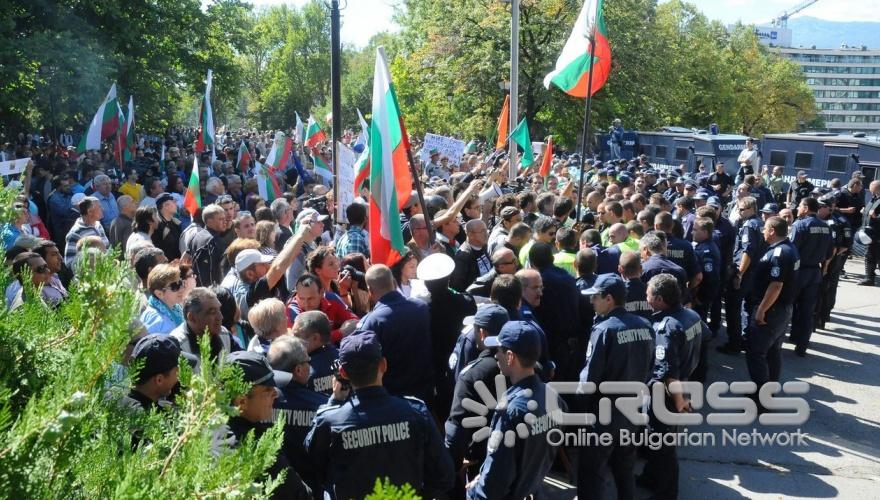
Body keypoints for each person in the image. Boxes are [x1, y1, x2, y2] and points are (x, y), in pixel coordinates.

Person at [305, 332, 454, 499]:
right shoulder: (416, 412)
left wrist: (334, 402)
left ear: (343, 373)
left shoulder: (329, 420)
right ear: (383, 365)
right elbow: (444, 475)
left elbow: (314, 467)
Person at [466, 321, 563, 499]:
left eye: (499, 350)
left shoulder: (510, 411)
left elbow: (494, 485)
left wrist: (473, 492)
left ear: (510, 357)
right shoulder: (553, 397)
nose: (496, 356)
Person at [578, 274, 654, 500]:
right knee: (624, 468)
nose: (591, 301)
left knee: (592, 472)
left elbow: (589, 381)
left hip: (604, 415)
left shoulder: (604, 330)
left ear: (609, 299)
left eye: (595, 297)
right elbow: (650, 368)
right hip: (633, 411)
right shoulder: (645, 326)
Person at [638, 274, 703, 500]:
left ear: (659, 299)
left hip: (666, 395)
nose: (645, 297)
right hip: (685, 383)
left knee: (661, 444)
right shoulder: (692, 316)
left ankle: (666, 493)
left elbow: (667, 372)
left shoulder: (666, 328)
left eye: (648, 294)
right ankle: (650, 476)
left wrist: (678, 401)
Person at [219, 351, 312, 500]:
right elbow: (300, 494)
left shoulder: (202, 429)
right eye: (268, 390)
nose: (276, 394)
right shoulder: (259, 451)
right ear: (242, 401)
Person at [359, 264, 434, 404]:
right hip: (425, 394)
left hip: (393, 400)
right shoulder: (421, 308)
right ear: (394, 282)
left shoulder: (371, 322)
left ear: (370, 291)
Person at [267, 335, 328, 494]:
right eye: (308, 361)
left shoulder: (259, 403)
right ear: (298, 370)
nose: (310, 365)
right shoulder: (321, 406)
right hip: (313, 488)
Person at [747, 217, 800, 391]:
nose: (763, 231)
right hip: (782, 309)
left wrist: (762, 309)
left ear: (772, 231)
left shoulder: (779, 253)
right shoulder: (790, 248)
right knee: (773, 351)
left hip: (772, 310)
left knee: (756, 352)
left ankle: (761, 396)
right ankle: (770, 392)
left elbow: (776, 285)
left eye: (765, 228)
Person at [718, 196, 764, 355]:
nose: (739, 212)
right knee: (748, 308)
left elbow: (747, 251)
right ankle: (748, 340)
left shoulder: (749, 225)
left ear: (752, 209)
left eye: (742, 209)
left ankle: (734, 343)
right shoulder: (760, 223)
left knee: (733, 307)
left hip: (745, 272)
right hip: (756, 272)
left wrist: (739, 274)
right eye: (739, 209)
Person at [789, 197, 833, 356]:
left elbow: (792, 251)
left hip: (798, 272)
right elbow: (829, 252)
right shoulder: (826, 227)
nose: (797, 208)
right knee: (807, 311)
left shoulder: (799, 225)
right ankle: (801, 345)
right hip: (815, 273)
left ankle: (778, 342)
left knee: (787, 306)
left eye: (800, 206)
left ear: (806, 208)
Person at [169, 287, 237, 365]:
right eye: (212, 312)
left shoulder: (225, 335)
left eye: (219, 310)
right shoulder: (177, 346)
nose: (220, 317)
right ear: (192, 317)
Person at [286, 273, 358, 343]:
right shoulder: (292, 310)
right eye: (301, 298)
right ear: (297, 295)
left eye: (311, 298)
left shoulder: (331, 299)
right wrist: (340, 333)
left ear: (321, 293)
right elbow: (304, 342)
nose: (306, 304)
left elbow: (355, 322)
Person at [119, 334, 180, 412]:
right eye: (177, 371)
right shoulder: (148, 417)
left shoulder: (113, 395)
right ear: (159, 380)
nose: (180, 375)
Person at [291, 310, 339, 396]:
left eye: (296, 336)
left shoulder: (304, 372)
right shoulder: (344, 360)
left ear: (315, 338)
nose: (292, 340)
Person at [186, 204, 229, 287]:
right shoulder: (213, 241)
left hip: (197, 287)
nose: (225, 222)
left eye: (224, 218)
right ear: (209, 221)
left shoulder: (195, 236)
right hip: (210, 289)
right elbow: (211, 272)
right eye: (221, 219)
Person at [139, 264, 186, 334]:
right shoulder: (159, 323)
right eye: (174, 286)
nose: (182, 288)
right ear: (159, 294)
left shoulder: (175, 307)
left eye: (180, 282)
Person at [64, 196, 109, 267]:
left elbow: (106, 247)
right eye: (99, 207)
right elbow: (69, 262)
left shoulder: (98, 225)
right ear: (89, 211)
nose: (103, 209)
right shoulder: (75, 233)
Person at [450, 219, 492, 291]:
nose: (487, 234)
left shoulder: (484, 246)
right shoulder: (463, 257)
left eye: (486, 230)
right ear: (470, 235)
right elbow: (457, 286)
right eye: (482, 231)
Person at [860, 180, 880, 286]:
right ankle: (869, 277)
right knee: (870, 255)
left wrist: (876, 216)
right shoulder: (874, 198)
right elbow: (870, 212)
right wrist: (865, 211)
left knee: (871, 255)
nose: (870, 190)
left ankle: (869, 278)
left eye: (872, 188)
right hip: (869, 232)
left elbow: (875, 215)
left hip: (877, 233)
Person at [151, 193, 182, 261]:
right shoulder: (157, 226)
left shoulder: (176, 223)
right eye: (173, 202)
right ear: (165, 206)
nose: (176, 204)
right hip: (166, 264)